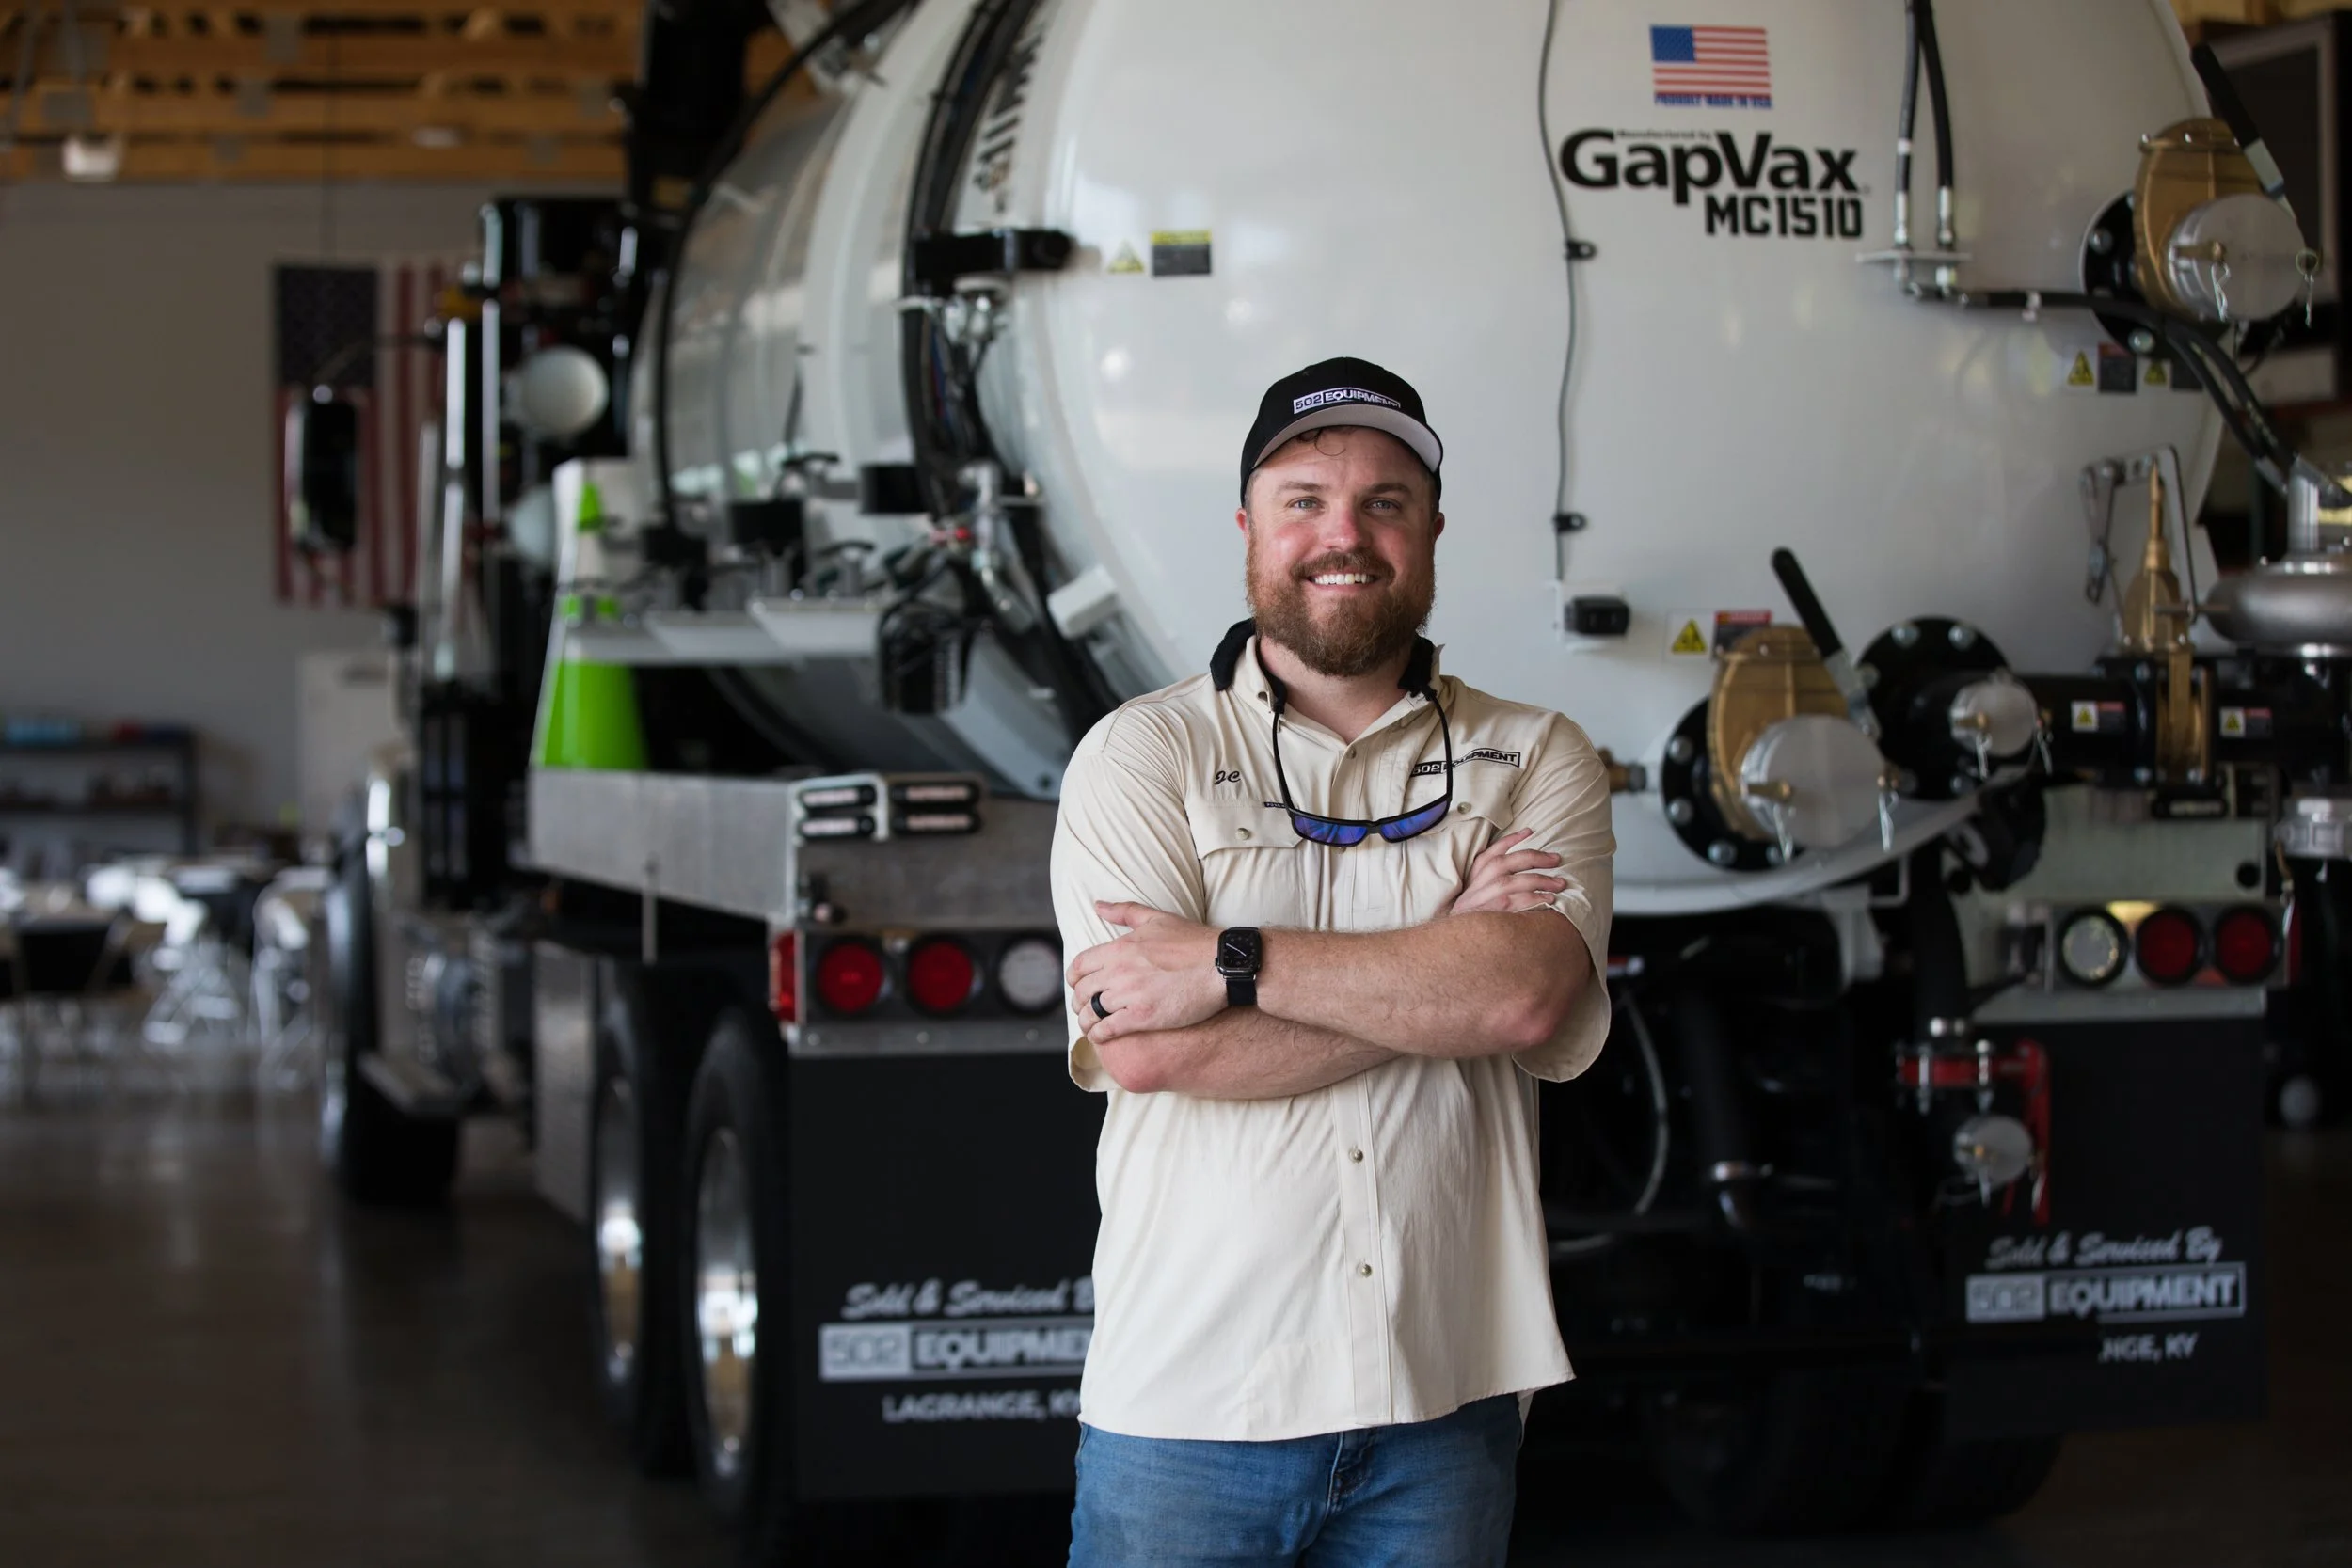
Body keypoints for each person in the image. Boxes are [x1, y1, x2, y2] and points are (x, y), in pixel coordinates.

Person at [1049, 357, 1616, 1567]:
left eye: (1385, 501)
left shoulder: (1535, 756)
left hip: (1444, 1400)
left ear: (1431, 530)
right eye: (1303, 498)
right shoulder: (1138, 755)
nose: (1342, 535)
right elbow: (1149, 1050)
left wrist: (1228, 960)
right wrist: (1441, 976)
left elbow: (1523, 997)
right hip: (1191, 1406)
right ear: (1248, 525)